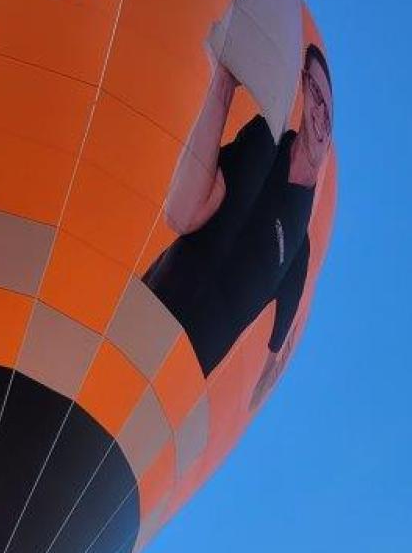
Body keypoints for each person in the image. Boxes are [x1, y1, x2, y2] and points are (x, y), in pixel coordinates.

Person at [143, 44, 333, 396]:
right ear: (304, 90)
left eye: (328, 106)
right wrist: (223, 84)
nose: (321, 113)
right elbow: (194, 206)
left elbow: (273, 358)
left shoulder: (299, 247)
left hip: (181, 374)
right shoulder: (262, 141)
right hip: (150, 309)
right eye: (316, 95)